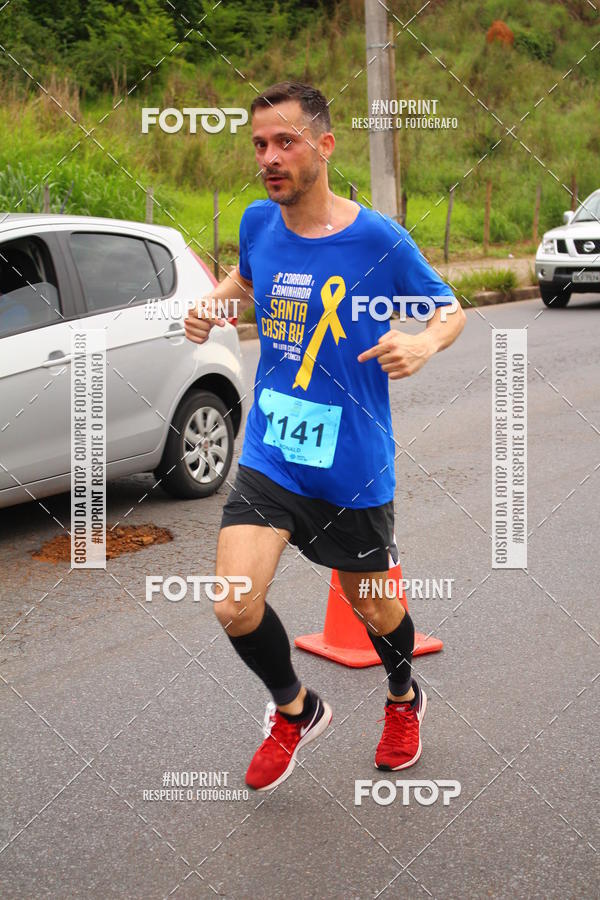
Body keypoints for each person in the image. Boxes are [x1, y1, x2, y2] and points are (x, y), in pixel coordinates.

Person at [184, 81, 465, 791]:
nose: (269, 158)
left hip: (353, 467)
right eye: (259, 145)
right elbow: (246, 282)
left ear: (324, 145)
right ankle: (296, 708)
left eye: (285, 142)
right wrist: (212, 305)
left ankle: (403, 697)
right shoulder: (258, 221)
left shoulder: (378, 239)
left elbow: (448, 310)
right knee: (232, 600)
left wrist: (424, 346)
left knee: (372, 603)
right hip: (272, 450)